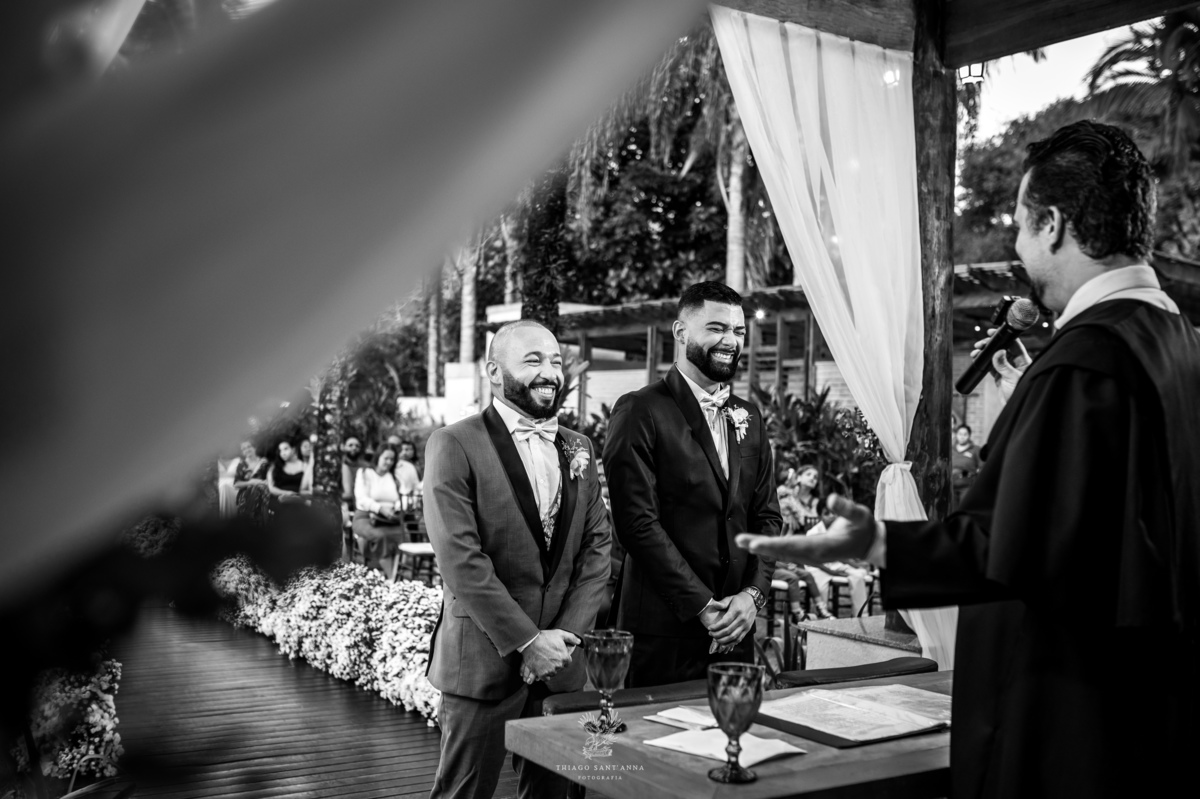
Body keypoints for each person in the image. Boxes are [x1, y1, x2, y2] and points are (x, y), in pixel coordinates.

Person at [737, 121, 1200, 798]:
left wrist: (877, 542)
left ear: (1053, 225)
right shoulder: (1177, 344)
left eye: (1019, 225)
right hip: (1149, 702)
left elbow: (1009, 546)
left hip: (1069, 712)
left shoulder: (1084, 364)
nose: (1016, 246)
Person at [424, 320, 610, 799]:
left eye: (555, 361)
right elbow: (460, 560)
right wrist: (528, 642)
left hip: (563, 666)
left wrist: (565, 637)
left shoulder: (580, 447)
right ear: (494, 371)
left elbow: (597, 549)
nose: (550, 372)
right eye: (533, 360)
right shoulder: (454, 443)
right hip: (484, 663)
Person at [603, 281, 781, 687]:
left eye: (738, 331)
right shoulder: (640, 410)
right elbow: (636, 525)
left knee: (734, 728)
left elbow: (767, 517)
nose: (730, 341)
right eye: (716, 328)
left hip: (736, 630)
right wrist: (703, 607)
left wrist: (752, 597)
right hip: (663, 634)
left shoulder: (750, 416)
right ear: (681, 333)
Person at [352, 447, 405, 572]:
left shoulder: (394, 477)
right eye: (386, 458)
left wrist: (397, 507)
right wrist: (381, 509)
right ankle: (392, 577)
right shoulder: (364, 473)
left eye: (392, 459)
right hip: (366, 517)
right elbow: (362, 498)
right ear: (378, 457)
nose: (389, 462)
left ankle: (397, 574)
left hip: (390, 520)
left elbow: (400, 497)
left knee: (404, 537)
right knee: (382, 537)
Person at [232, 440, 270, 525]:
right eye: (244, 449)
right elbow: (236, 484)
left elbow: (271, 479)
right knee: (255, 489)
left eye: (249, 447)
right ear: (242, 452)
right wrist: (252, 482)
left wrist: (262, 483)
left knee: (259, 489)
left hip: (264, 492)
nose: (247, 450)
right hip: (245, 496)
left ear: (254, 447)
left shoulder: (264, 463)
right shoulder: (241, 465)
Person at [266, 439, 310, 511]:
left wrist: (298, 498)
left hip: (301, 503)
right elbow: (271, 488)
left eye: (285, 449)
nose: (283, 453)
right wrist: (288, 493)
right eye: (280, 451)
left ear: (293, 449)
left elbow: (309, 488)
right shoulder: (274, 468)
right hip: (281, 503)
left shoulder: (305, 466)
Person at [950, 424, 981, 509]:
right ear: (956, 435)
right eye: (960, 434)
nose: (962, 437)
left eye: (965, 434)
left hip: (967, 486)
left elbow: (982, 467)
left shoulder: (975, 450)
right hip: (951, 485)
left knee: (964, 508)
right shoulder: (950, 449)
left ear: (969, 435)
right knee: (952, 510)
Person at [393, 438, 422, 505]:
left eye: (408, 449)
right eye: (403, 449)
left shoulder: (414, 466)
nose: (404, 452)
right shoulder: (393, 465)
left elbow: (417, 485)